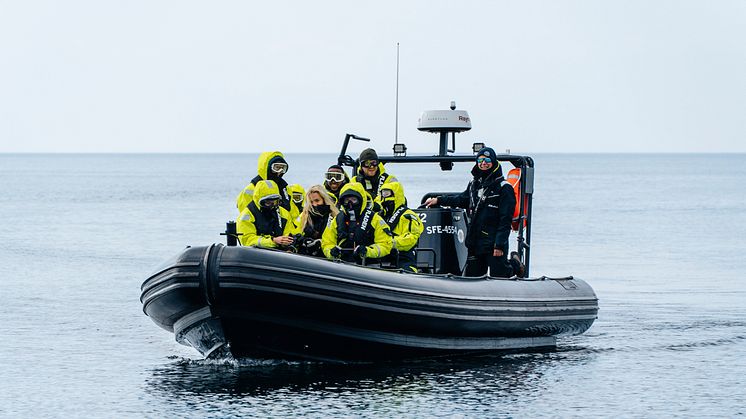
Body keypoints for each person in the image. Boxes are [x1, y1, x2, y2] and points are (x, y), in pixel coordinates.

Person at [424, 147, 525, 278]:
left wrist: (499, 245)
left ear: (493, 162)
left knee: (500, 275)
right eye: (480, 160)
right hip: (475, 241)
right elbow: (462, 199)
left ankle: (515, 265)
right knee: (473, 277)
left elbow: (505, 220)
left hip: (493, 241)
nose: (483, 163)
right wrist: (439, 200)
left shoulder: (504, 188)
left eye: (487, 160)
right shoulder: (474, 184)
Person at [322, 183, 393, 264]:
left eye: (353, 200)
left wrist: (368, 251)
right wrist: (331, 252)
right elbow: (327, 242)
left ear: (361, 200)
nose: (350, 204)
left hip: (369, 265)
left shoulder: (375, 219)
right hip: (342, 264)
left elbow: (385, 244)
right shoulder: (337, 220)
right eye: (346, 200)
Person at [236, 179, 297, 249]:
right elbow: (248, 240)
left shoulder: (284, 213)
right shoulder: (247, 216)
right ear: (260, 201)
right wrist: (273, 241)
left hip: (280, 253)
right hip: (256, 254)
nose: (273, 206)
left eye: (275, 202)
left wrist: (287, 242)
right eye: (269, 203)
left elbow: (289, 233)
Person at [379, 182, 424, 272]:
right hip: (381, 256)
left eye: (387, 193)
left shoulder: (408, 216)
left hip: (403, 257)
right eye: (383, 193)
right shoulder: (380, 216)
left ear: (395, 194)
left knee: (407, 268)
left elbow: (411, 239)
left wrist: (390, 243)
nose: (385, 196)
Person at [296, 185, 339, 256]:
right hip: (306, 255)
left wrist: (320, 242)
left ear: (324, 200)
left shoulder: (334, 216)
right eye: (311, 202)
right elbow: (295, 233)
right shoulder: (304, 216)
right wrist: (303, 240)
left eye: (317, 200)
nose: (314, 204)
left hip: (326, 256)